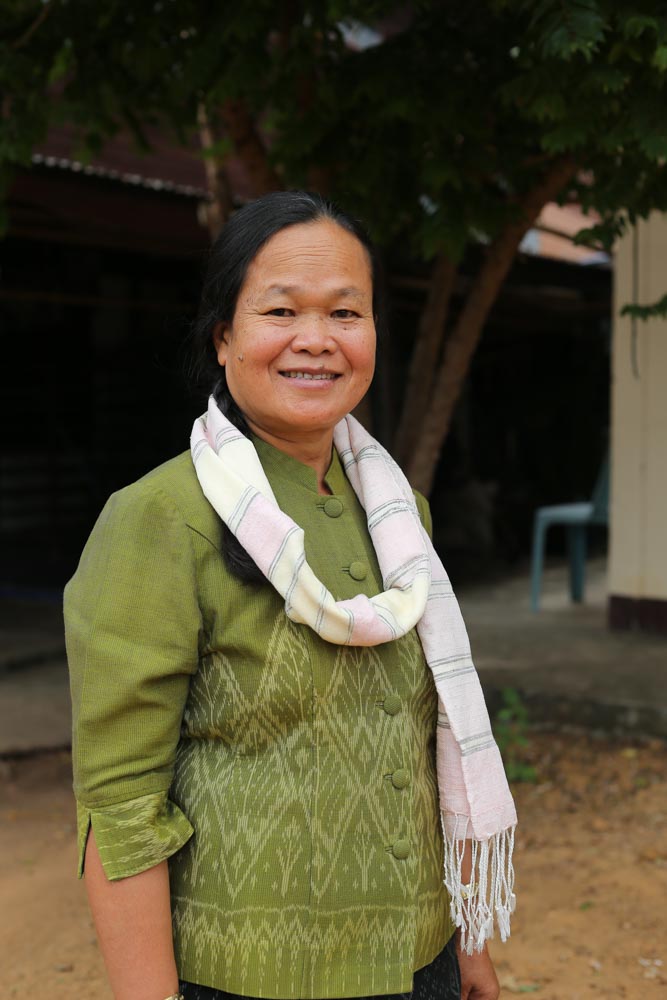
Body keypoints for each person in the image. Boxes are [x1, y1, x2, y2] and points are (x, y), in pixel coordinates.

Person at [65, 191, 517, 1000]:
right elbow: (120, 801)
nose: (316, 339)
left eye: (345, 312)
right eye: (280, 311)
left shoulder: (399, 515)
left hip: (421, 959)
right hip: (248, 978)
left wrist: (463, 944)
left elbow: (424, 747)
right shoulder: (161, 519)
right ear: (224, 337)